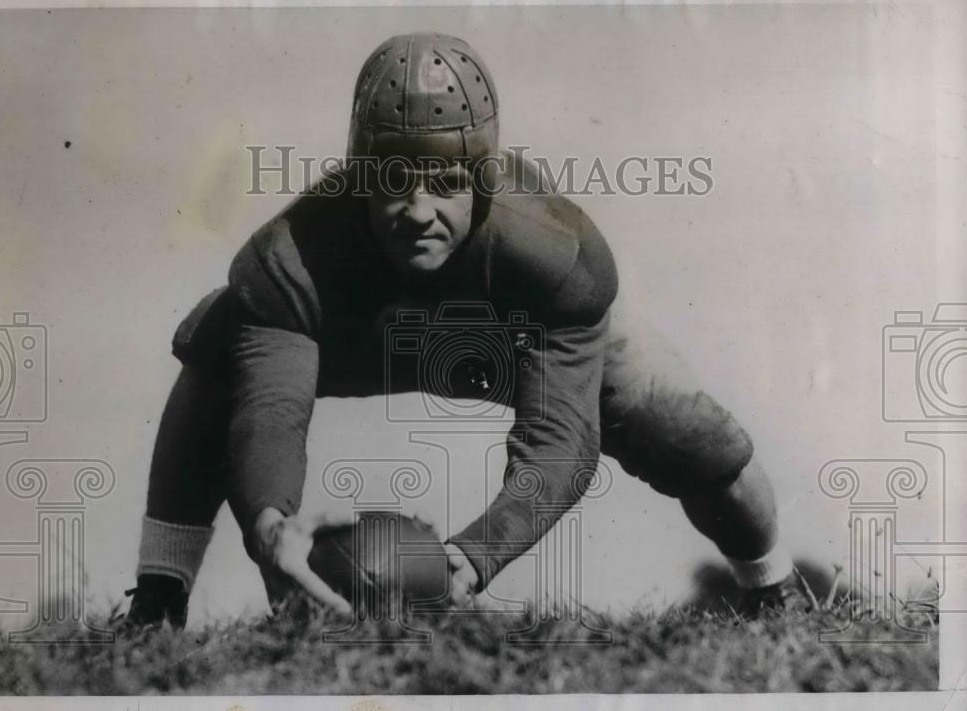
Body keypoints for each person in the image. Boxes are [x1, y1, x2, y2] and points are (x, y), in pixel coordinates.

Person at [119, 32, 801, 631]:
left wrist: (472, 558)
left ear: (482, 182)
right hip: (358, 333)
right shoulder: (290, 258)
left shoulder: (552, 253)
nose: (419, 210)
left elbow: (560, 444)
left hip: (506, 333)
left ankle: (777, 598)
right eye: (394, 181)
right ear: (360, 179)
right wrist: (271, 522)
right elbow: (270, 410)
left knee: (689, 434)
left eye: (444, 182)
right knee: (220, 339)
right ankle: (156, 602)